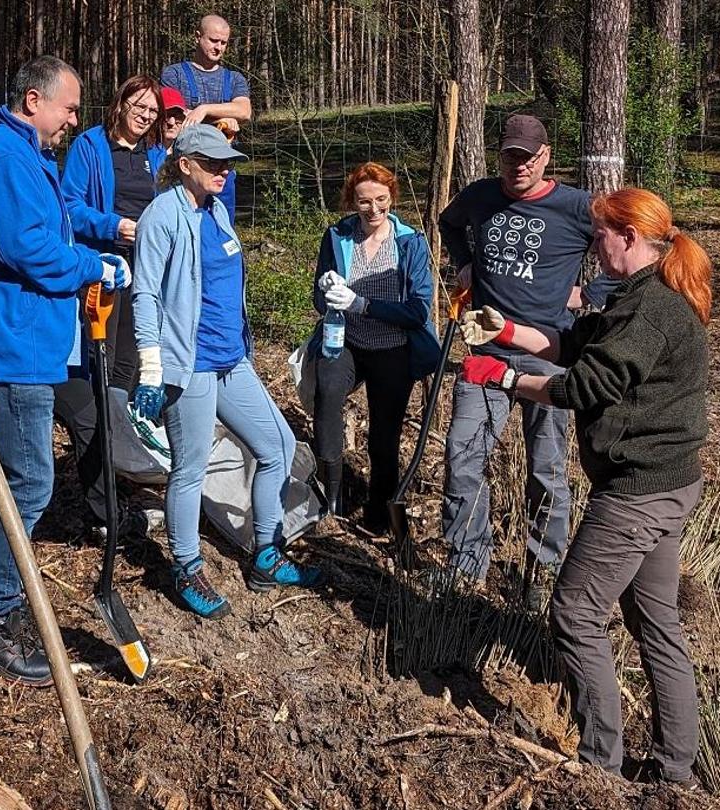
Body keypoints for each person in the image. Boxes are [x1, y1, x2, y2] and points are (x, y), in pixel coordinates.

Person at [457, 187, 710, 788]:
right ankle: (675, 772)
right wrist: (508, 329)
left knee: (575, 612)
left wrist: (504, 376)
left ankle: (601, 769)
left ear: (629, 237)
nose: (593, 245)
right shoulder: (639, 298)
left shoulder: (651, 311)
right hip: (668, 483)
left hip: (638, 489)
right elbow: (575, 344)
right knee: (655, 623)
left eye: (600, 235)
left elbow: (581, 387)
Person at [0, 55, 129, 685]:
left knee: (11, 480)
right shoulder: (8, 159)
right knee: (31, 483)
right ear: (34, 99)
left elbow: (51, 226)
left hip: (22, 340)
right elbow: (31, 252)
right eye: (69, 107)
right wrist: (93, 268)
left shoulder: (24, 158)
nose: (75, 119)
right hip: (9, 346)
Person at [130, 123, 323, 619]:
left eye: (227, 163)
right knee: (190, 467)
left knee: (277, 446)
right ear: (185, 164)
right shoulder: (163, 216)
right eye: (213, 163)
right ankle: (185, 566)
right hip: (188, 365)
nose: (224, 170)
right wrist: (152, 364)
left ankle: (264, 553)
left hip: (230, 361)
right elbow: (146, 292)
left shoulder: (216, 211)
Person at [435, 113, 612, 591]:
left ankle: (542, 569)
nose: (519, 167)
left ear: (546, 157)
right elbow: (448, 223)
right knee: (463, 452)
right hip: (485, 348)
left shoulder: (577, 207)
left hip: (548, 353)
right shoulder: (480, 196)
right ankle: (466, 561)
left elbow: (635, 244)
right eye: (510, 157)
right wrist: (466, 262)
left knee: (547, 465)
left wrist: (592, 294)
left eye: (528, 158)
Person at [51, 75, 164, 541]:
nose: (145, 116)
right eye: (139, 106)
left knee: (129, 372)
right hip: (106, 271)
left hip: (148, 276)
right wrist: (114, 226)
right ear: (120, 104)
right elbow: (69, 206)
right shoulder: (90, 147)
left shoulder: (155, 155)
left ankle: (125, 475)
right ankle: (101, 500)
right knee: (101, 375)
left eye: (152, 112)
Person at [309, 162, 440, 536]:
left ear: (392, 197)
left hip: (393, 348)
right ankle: (328, 497)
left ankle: (379, 514)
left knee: (385, 436)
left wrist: (361, 304)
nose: (373, 209)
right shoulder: (338, 236)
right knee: (327, 396)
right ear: (353, 201)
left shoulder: (410, 243)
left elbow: (418, 311)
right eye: (364, 201)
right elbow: (320, 301)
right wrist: (327, 289)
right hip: (346, 341)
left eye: (381, 199)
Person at [161, 14, 251, 217]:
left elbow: (244, 111)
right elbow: (175, 118)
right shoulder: (174, 74)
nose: (218, 47)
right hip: (184, 171)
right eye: (213, 40)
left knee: (220, 229)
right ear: (197, 37)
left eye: (224, 43)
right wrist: (222, 119)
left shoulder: (234, 79)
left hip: (222, 172)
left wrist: (204, 110)